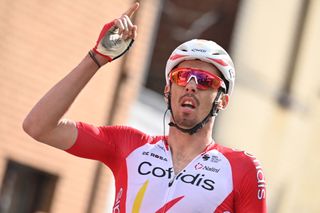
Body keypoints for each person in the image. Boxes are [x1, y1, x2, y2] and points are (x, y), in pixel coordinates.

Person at [23, 2, 267, 213]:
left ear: (222, 101)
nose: (191, 86)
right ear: (168, 91)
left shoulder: (240, 168)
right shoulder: (130, 145)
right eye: (182, 77)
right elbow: (38, 126)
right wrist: (96, 58)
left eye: (204, 81)